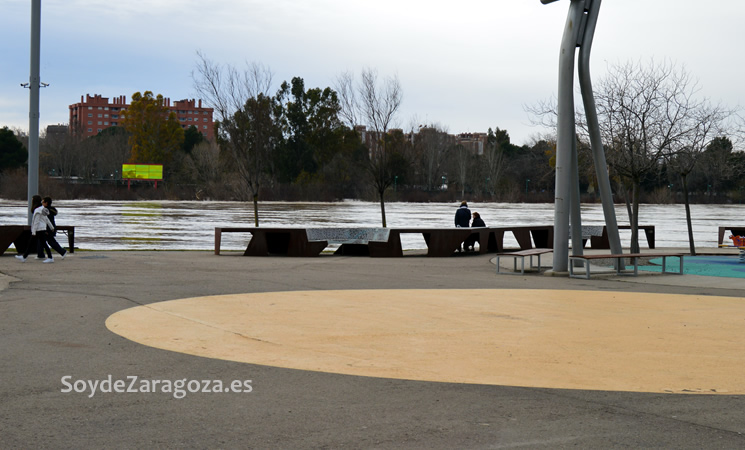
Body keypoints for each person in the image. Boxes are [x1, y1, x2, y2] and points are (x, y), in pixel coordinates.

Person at [16, 195, 55, 263]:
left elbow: (36, 222)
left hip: (38, 229)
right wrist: (51, 227)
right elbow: (46, 219)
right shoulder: (42, 209)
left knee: (40, 244)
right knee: (37, 243)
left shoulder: (37, 210)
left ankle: (50, 257)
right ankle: (24, 257)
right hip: (41, 229)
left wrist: (33, 231)